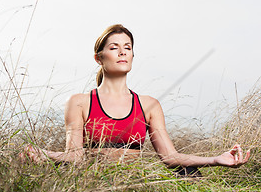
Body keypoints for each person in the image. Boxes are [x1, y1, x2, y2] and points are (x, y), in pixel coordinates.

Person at [20, 24, 250, 171]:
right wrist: (45, 154)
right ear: (98, 58)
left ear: (132, 54)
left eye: (127, 47)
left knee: (189, 172)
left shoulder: (149, 105)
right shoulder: (79, 102)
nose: (122, 52)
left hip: (132, 182)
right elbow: (75, 156)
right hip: (92, 181)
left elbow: (170, 157)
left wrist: (216, 159)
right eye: (114, 48)